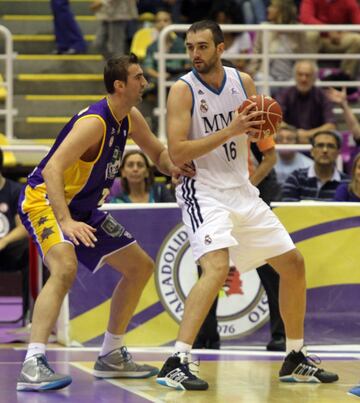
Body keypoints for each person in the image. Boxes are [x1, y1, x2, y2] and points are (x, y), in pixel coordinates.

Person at [156, 20, 339, 391]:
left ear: (221, 48)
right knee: (216, 266)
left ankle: (295, 355)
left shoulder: (245, 83)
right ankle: (176, 360)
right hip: (203, 190)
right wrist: (233, 129)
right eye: (190, 47)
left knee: (294, 264)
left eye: (203, 46)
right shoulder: (182, 90)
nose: (194, 54)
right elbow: (176, 151)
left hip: (241, 189)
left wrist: (261, 128)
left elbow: (259, 135)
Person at [16, 54, 195, 392]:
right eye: (138, 77)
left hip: (83, 207)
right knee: (65, 267)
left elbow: (157, 154)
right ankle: (33, 363)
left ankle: (111, 353)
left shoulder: (130, 117)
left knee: (140, 267)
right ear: (120, 85)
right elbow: (53, 169)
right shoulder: (95, 122)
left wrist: (177, 167)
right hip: (45, 201)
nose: (144, 82)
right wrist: (66, 221)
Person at [247, 0, 309, 96]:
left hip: (291, 78)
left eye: (272, 7)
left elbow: (304, 56)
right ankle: (264, 109)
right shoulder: (264, 28)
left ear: (282, 11)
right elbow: (256, 53)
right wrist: (251, 72)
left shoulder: (298, 30)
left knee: (301, 82)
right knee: (260, 77)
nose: (268, 9)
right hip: (270, 78)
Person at [276, 60, 337, 144]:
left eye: (307, 75)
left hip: (315, 140)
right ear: (295, 76)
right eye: (300, 74)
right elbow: (276, 121)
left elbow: (331, 125)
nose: (303, 79)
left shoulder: (322, 96)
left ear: (314, 77)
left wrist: (307, 134)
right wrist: (295, 133)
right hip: (290, 140)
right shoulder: (285, 94)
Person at [0, 148, 29, 315]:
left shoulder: (16, 190)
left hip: (9, 250)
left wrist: (4, 241)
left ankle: (29, 314)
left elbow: (24, 227)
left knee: (30, 251)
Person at [299, 0, 360, 79]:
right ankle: (309, 77)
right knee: (311, 34)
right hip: (316, 39)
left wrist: (345, 31)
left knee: (357, 40)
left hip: (336, 39)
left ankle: (344, 80)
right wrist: (328, 30)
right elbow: (305, 17)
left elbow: (358, 22)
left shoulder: (348, 1)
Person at [282, 130, 349, 201]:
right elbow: (288, 210)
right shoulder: (295, 179)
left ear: (338, 152)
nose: (325, 150)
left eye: (330, 146)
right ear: (312, 151)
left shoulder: (348, 184)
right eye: (320, 145)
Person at [109, 150, 176, 203]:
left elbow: (174, 213)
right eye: (130, 165)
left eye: (140, 165)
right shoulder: (116, 202)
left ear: (147, 172)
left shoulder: (160, 190)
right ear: (123, 172)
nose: (135, 169)